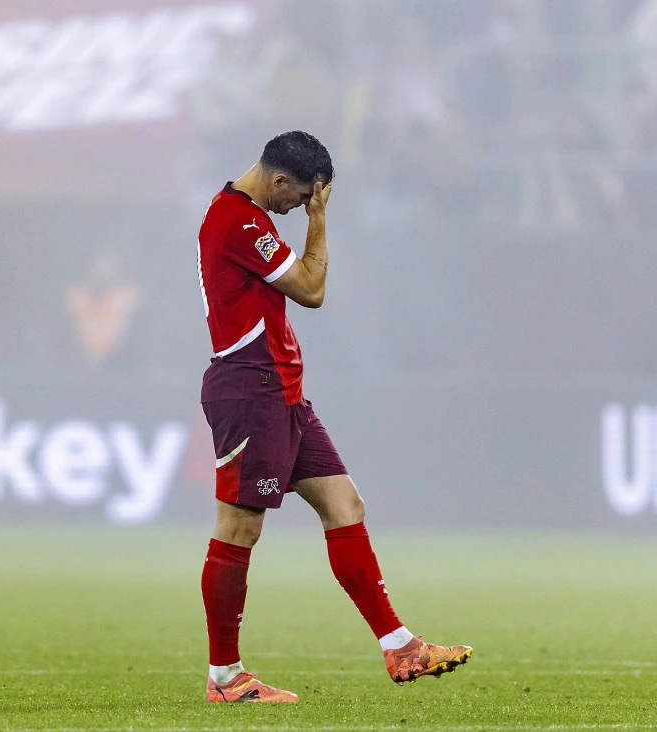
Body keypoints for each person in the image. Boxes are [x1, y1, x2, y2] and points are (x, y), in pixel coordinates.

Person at [196, 131, 472, 703]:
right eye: (300, 197)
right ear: (278, 180)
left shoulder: (248, 216)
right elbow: (311, 289)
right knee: (240, 527)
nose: (301, 207)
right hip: (251, 391)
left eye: (310, 202)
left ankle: (400, 646)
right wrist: (319, 222)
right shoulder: (239, 221)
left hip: (283, 393)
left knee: (345, 505)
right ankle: (224, 676)